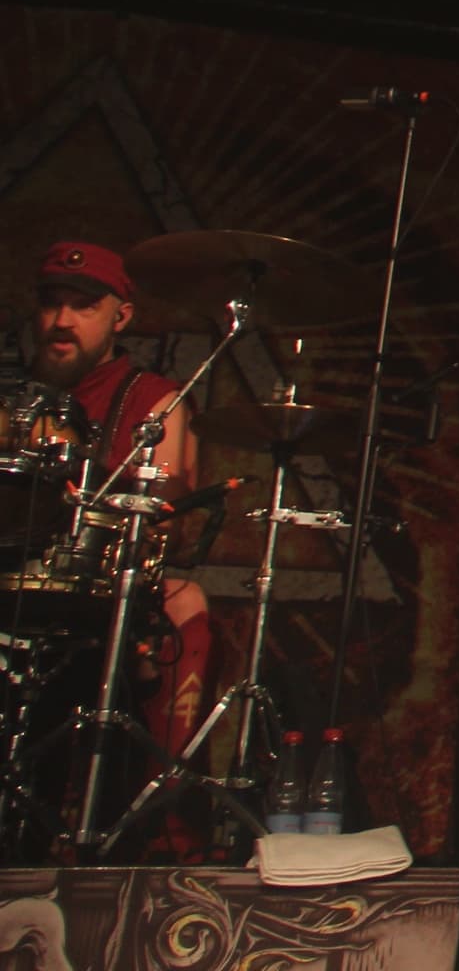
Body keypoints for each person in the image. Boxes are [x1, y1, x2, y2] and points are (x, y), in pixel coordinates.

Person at [23, 242, 215, 827]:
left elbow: (167, 523)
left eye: (83, 306)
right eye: (52, 304)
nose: (62, 321)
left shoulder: (154, 400)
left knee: (183, 602)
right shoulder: (14, 395)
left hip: (96, 587)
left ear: (120, 316)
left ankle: (156, 818)